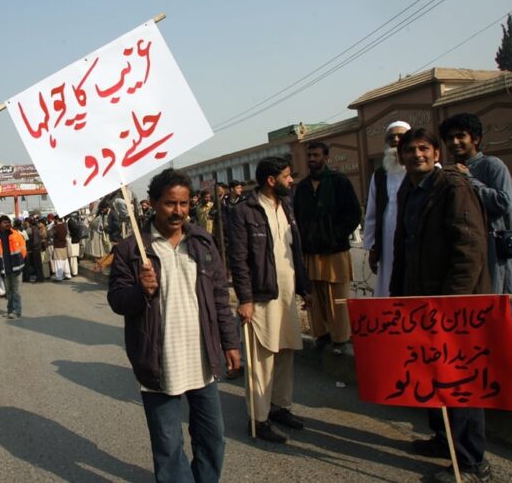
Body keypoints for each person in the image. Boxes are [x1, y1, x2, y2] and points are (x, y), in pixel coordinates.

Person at [108, 168, 241, 482]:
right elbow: (117, 301)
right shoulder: (132, 249)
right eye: (170, 203)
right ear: (153, 203)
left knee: (212, 439)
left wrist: (230, 342)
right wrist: (141, 291)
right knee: (168, 446)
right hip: (158, 362)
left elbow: (220, 297)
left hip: (202, 358)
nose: (178, 211)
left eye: (183, 203)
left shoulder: (202, 242)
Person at [389, 129, 491, 483]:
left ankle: (472, 463)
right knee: (430, 374)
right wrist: (398, 296)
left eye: (423, 149)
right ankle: (442, 440)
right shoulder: (408, 189)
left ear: (436, 153)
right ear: (401, 156)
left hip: (452, 305)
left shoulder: (452, 187)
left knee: (459, 380)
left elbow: (469, 249)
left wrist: (451, 303)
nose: (416, 155)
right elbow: (402, 247)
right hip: (420, 301)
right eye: (410, 150)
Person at [228, 157, 311, 443]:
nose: (292, 181)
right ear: (271, 180)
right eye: (287, 176)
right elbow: (238, 260)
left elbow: (294, 250)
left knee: (285, 351)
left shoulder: (286, 206)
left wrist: (305, 288)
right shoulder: (243, 212)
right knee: (261, 358)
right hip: (261, 295)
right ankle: (258, 418)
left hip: (287, 293)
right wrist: (245, 298)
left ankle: (279, 407)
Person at [440, 113, 512, 331]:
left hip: (492, 249)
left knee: (498, 308)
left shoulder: (492, 165)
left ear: (476, 138)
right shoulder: (447, 172)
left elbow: (505, 203)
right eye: (449, 137)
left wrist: (469, 180)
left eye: (460, 136)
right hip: (462, 252)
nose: (455, 142)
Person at [293, 141, 361, 355]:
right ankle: (321, 336)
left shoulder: (339, 182)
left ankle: (340, 339)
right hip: (311, 252)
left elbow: (353, 214)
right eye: (309, 155)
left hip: (335, 251)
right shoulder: (302, 187)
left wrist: (334, 235)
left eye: (316, 155)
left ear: (326, 157)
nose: (312, 159)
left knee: (337, 297)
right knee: (316, 296)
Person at [363, 120, 410, 297]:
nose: (396, 140)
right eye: (391, 137)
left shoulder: (421, 169)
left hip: (413, 237)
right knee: (388, 283)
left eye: (400, 136)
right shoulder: (380, 174)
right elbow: (372, 214)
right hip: (387, 239)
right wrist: (372, 247)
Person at [0, 216, 27, 318]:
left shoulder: (16, 234)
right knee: (9, 292)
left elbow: (23, 249)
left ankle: (17, 311)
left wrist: (19, 262)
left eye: (8, 222)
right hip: (4, 269)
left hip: (16, 267)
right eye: (5, 222)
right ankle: (10, 310)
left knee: (16, 291)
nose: (7, 224)